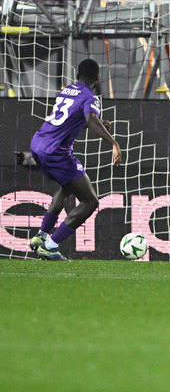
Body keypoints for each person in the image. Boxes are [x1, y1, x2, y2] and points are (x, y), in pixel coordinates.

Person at [27, 59, 122, 260]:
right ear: (96, 79)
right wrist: (113, 143)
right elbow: (89, 118)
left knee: (67, 187)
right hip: (56, 152)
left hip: (37, 144)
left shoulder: (67, 90)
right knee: (90, 201)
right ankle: (50, 246)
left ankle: (41, 236)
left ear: (77, 75)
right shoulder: (91, 96)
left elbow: (76, 117)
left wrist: (96, 122)